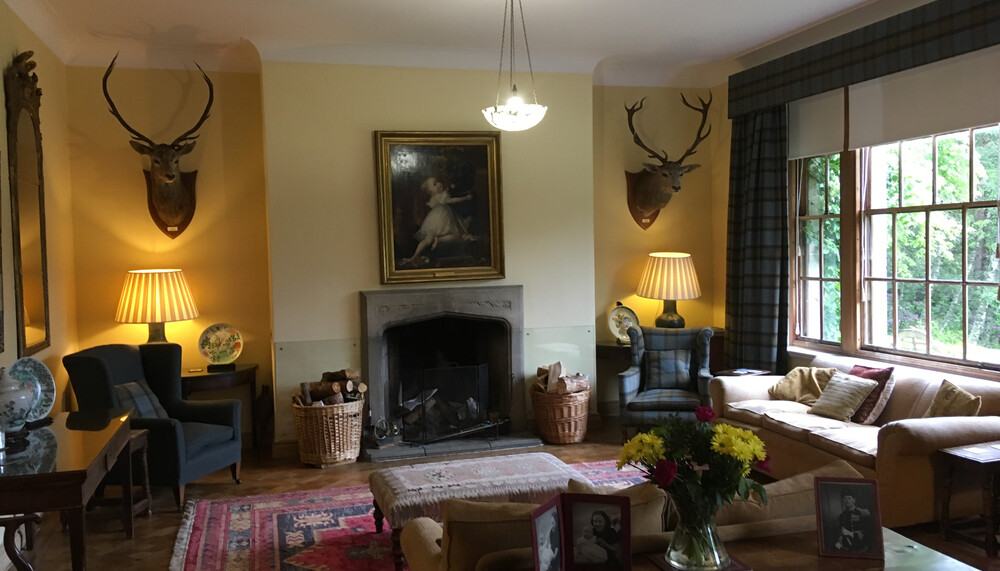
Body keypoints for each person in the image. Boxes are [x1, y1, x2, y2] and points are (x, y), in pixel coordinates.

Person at [402, 176, 472, 266]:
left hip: (434, 219)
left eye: (437, 181)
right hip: (443, 218)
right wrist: (465, 198)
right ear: (430, 192)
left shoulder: (438, 195)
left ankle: (415, 255)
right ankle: (438, 239)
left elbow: (450, 193)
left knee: (428, 240)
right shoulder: (440, 196)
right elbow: (451, 201)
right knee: (456, 235)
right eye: (434, 184)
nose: (438, 184)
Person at [834, 488, 872, 552]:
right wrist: (839, 542)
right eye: (845, 498)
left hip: (861, 545)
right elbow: (841, 531)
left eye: (849, 498)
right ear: (843, 500)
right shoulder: (842, 515)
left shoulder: (862, 513)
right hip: (848, 547)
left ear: (854, 500)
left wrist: (851, 534)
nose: (847, 501)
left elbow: (868, 531)